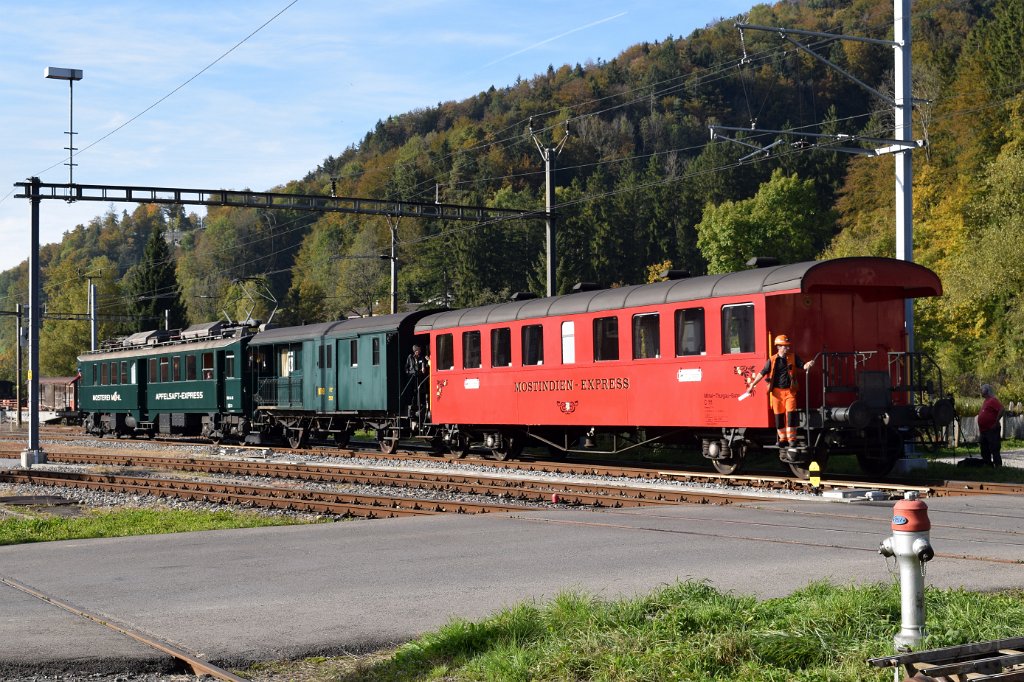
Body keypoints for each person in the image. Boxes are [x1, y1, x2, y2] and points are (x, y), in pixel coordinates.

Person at [742, 334, 815, 449]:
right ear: (779, 347)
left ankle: (792, 440)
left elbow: (803, 366)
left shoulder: (793, 357)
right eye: (785, 346)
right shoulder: (772, 360)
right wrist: (752, 385)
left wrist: (808, 364)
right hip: (776, 393)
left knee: (791, 415)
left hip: (790, 391)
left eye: (787, 346)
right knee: (779, 416)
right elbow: (762, 372)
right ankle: (782, 439)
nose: (787, 348)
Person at [977, 383, 1003, 468]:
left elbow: (1001, 409)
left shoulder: (992, 400)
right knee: (984, 449)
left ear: (986, 391)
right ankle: (988, 464)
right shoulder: (985, 401)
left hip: (991, 429)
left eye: (982, 390)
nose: (981, 391)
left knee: (994, 448)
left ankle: (998, 465)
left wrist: (996, 422)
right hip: (984, 430)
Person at [405, 344, 429, 414]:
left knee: (419, 391)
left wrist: (424, 368)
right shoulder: (410, 357)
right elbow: (406, 368)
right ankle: (412, 404)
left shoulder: (421, 358)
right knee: (413, 391)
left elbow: (424, 365)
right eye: (419, 350)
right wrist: (410, 373)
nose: (420, 351)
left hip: (419, 377)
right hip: (412, 377)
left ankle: (420, 405)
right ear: (415, 351)